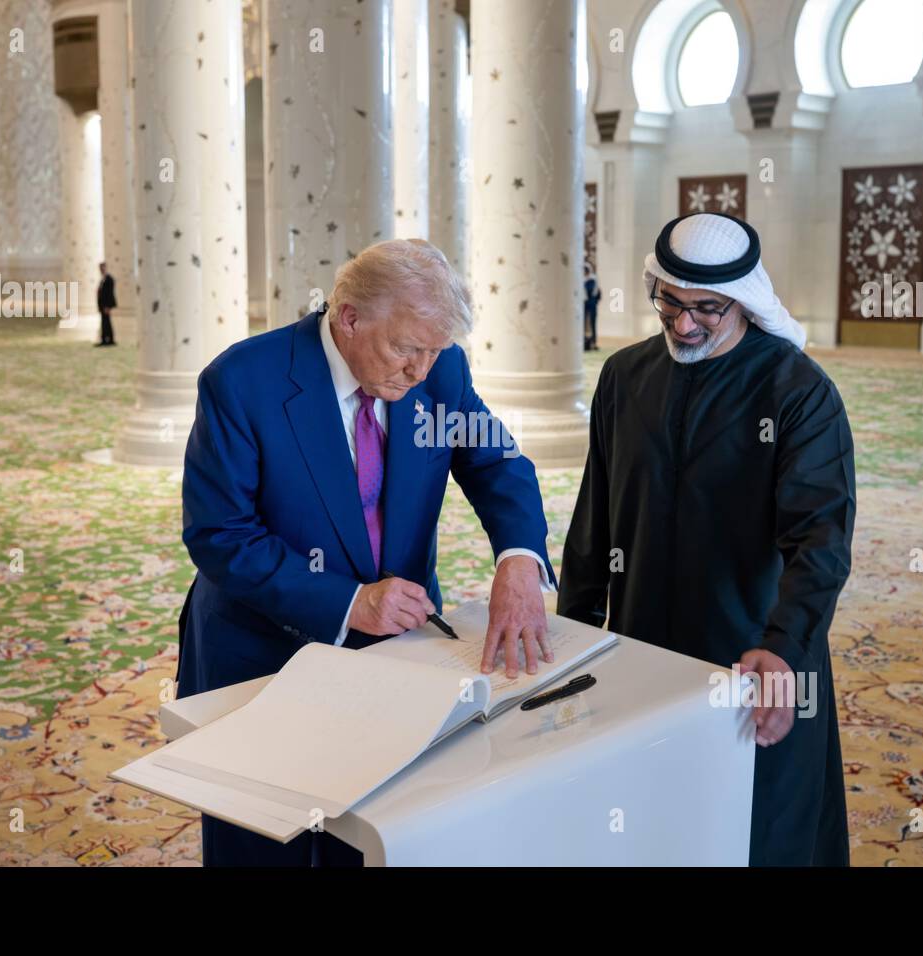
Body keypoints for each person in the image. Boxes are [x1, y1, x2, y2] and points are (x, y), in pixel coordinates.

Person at [177, 238, 557, 865]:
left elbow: (497, 463)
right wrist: (347, 601)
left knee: (381, 828)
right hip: (265, 641)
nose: (421, 372)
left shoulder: (442, 371)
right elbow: (220, 535)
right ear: (348, 317)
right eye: (408, 349)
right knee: (269, 834)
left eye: (435, 352)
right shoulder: (242, 381)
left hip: (397, 645)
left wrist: (518, 556)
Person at [557, 212, 855, 866]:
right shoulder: (626, 376)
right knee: (649, 817)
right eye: (670, 302)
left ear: (743, 301)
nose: (684, 324)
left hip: (749, 654)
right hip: (640, 646)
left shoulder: (798, 392)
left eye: (707, 309)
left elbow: (821, 542)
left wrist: (783, 650)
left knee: (755, 830)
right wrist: (571, 635)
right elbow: (595, 516)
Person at [95, 261, 116, 347]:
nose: (101, 270)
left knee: (107, 322)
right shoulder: (102, 279)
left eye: (102, 268)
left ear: (105, 268)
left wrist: (108, 306)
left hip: (106, 305)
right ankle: (105, 339)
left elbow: (110, 293)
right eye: (100, 268)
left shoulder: (109, 279)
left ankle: (109, 340)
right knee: (104, 322)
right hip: (102, 305)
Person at [583, 264, 602, 351]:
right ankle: (584, 342)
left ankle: (593, 343)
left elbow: (594, 292)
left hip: (591, 303)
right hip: (584, 304)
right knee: (583, 324)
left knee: (592, 323)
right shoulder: (583, 279)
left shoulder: (593, 279)